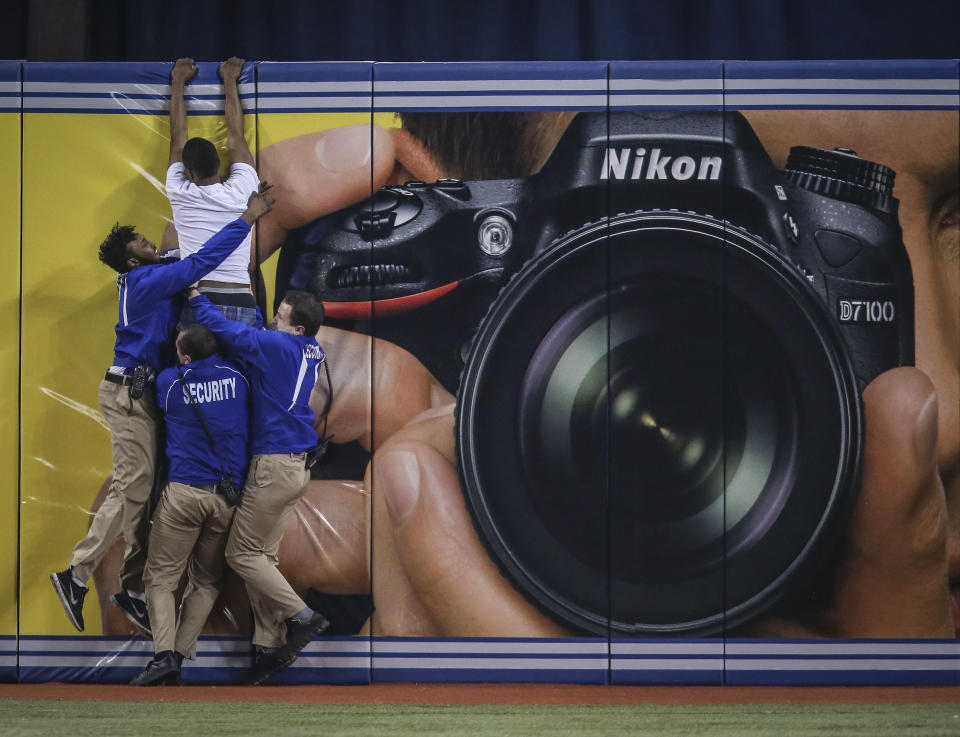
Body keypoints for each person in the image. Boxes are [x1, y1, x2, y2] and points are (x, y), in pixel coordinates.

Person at [51, 184, 275, 637]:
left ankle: (131, 588)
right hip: (129, 394)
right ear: (132, 260)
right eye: (138, 241)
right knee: (132, 489)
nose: (147, 239)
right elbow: (197, 262)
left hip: (143, 394)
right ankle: (75, 575)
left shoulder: (151, 272)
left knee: (146, 494)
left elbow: (182, 258)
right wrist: (247, 218)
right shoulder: (144, 279)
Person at [187, 287, 331, 683]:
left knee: (240, 555)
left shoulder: (281, 346)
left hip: (273, 465)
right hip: (294, 467)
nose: (272, 321)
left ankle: (303, 618)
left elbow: (222, 328)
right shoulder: (310, 349)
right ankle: (269, 645)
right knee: (261, 557)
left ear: (296, 328)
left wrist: (197, 298)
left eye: (279, 317)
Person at [129, 324, 250, 687]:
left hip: (184, 495)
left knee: (160, 580)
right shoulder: (239, 378)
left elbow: (156, 400)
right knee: (207, 581)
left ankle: (164, 656)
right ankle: (180, 655)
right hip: (226, 499)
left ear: (183, 356)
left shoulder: (169, 382)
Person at [167, 57, 261, 326]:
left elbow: (177, 141)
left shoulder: (179, 191)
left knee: (197, 369)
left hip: (201, 297)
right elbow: (236, 137)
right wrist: (230, 79)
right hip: (242, 296)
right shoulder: (244, 188)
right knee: (241, 370)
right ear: (222, 165)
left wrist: (178, 81)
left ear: (189, 174)